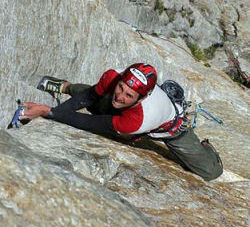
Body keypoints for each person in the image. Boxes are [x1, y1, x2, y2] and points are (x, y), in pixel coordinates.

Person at [20, 63, 223, 181]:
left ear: (141, 98)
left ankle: (206, 150)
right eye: (121, 87)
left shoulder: (138, 119)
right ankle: (65, 86)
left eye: (129, 94)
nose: (121, 96)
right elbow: (89, 97)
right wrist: (57, 111)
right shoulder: (112, 78)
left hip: (170, 127)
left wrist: (48, 112)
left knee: (211, 172)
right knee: (101, 95)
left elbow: (91, 123)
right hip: (137, 109)